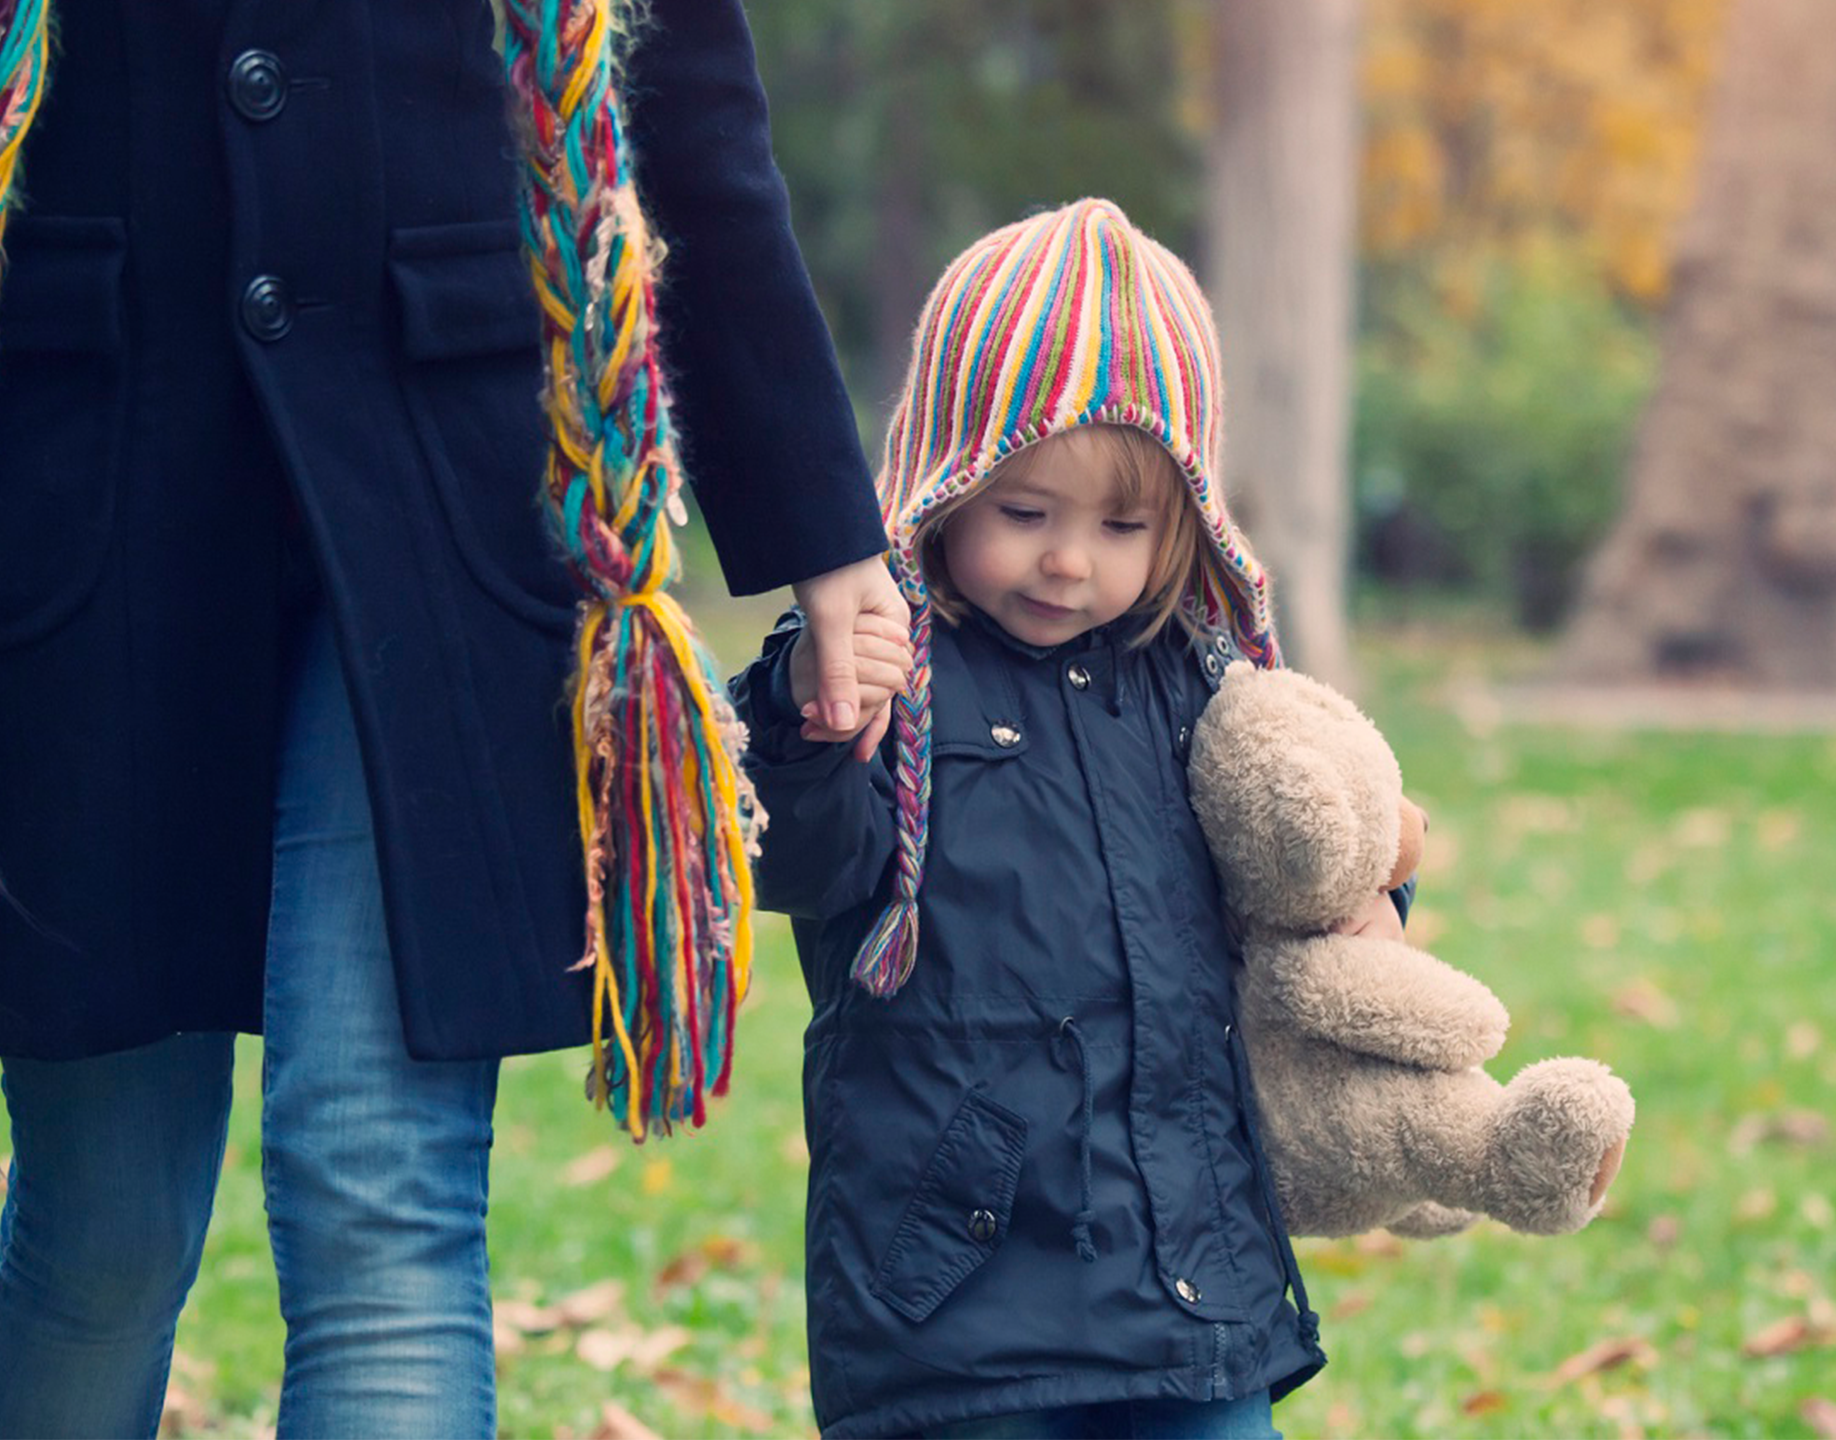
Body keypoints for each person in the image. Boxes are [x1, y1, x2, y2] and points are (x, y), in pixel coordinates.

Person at [0, 3, 905, 1436]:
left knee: (381, 1192)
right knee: (104, 1227)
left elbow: (678, 99)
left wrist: (818, 520)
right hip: (85, 484)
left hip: (443, 484)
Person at [734, 198, 1348, 1440]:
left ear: (1182, 520)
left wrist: (1369, 886)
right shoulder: (889, 672)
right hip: (957, 1285)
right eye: (1025, 514)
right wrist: (810, 709)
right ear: (945, 483)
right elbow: (804, 866)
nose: (1071, 562)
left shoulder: (1199, 686)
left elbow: (1287, 884)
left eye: (1121, 527)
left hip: (1190, 1275)